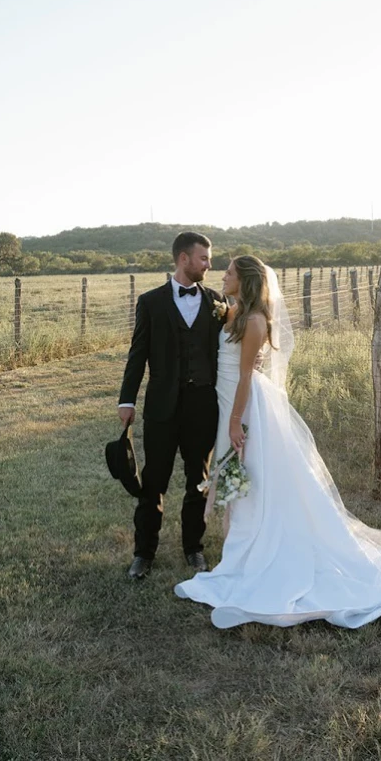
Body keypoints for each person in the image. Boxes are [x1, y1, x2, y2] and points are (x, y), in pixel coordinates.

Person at [174, 256, 381, 628]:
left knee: (251, 476)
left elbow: (245, 376)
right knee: (241, 478)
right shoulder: (230, 312)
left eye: (228, 273)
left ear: (246, 281)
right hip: (227, 399)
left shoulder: (255, 321)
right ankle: (238, 551)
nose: (221, 277)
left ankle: (256, 551)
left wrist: (234, 423)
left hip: (243, 407)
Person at [118, 232, 227, 580]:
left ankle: (193, 549)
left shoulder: (217, 302)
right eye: (204, 259)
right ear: (183, 259)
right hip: (162, 408)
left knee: (199, 479)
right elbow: (138, 355)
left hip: (203, 407)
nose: (209, 265)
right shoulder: (150, 303)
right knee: (154, 480)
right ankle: (143, 553)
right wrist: (126, 399)